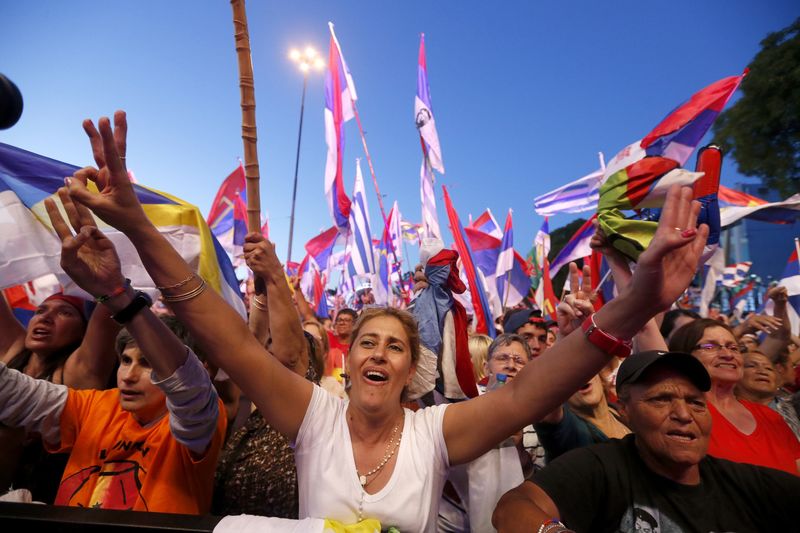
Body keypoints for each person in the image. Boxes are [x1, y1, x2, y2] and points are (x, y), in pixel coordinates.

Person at [60, 111, 709, 530]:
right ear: (350, 356)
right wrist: (139, 229)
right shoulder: (312, 415)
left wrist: (634, 304)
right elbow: (226, 338)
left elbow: (525, 394)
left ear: (411, 368)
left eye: (393, 345)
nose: (375, 352)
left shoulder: (435, 433)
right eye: (365, 339)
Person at [0, 192, 226, 513]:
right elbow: (13, 394)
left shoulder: (199, 418)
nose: (129, 375)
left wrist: (119, 296)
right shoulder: (97, 406)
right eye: (125, 360)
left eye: (148, 365)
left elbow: (187, 385)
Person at [492, 350, 799, 533]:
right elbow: (511, 508)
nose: (683, 413)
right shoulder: (602, 467)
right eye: (661, 399)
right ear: (625, 410)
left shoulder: (744, 483)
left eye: (696, 403)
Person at [669, 318, 800, 474]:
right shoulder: (680, 414)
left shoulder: (770, 416)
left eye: (734, 347)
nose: (727, 354)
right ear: (685, 356)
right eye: (710, 346)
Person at [736, 350, 800, 440]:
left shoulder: (793, 405)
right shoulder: (723, 411)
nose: (762, 371)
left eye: (769, 368)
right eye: (751, 366)